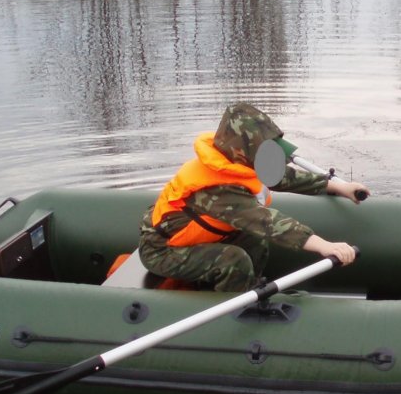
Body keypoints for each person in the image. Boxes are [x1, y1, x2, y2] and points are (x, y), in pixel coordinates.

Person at [139, 103, 369, 292]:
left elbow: (281, 178)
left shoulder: (235, 163)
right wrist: (324, 246)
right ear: (243, 150)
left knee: (256, 242)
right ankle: (233, 309)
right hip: (163, 251)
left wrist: (338, 187)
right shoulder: (218, 191)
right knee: (233, 259)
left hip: (196, 240)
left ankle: (248, 290)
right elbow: (267, 221)